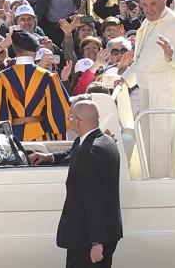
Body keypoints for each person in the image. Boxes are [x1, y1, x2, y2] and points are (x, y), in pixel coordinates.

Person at [119, 0, 175, 178]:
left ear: (164, 2)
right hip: (149, 94)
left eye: (153, 4)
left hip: (167, 96)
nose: (149, 9)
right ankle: (152, 185)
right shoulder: (147, 24)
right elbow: (142, 62)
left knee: (165, 149)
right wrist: (124, 80)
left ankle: (166, 191)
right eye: (144, 5)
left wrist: (171, 53)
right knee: (150, 145)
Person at [44, 101, 123, 268]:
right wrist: (50, 157)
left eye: (71, 116)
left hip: (87, 238)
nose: (69, 119)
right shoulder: (105, 141)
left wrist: (96, 242)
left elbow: (93, 199)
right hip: (107, 231)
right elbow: (73, 153)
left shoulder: (87, 152)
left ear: (78, 121)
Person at [0, 30, 71, 141]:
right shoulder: (48, 77)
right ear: (32, 52)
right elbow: (61, 113)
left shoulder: (1, 78)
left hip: (13, 138)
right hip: (42, 135)